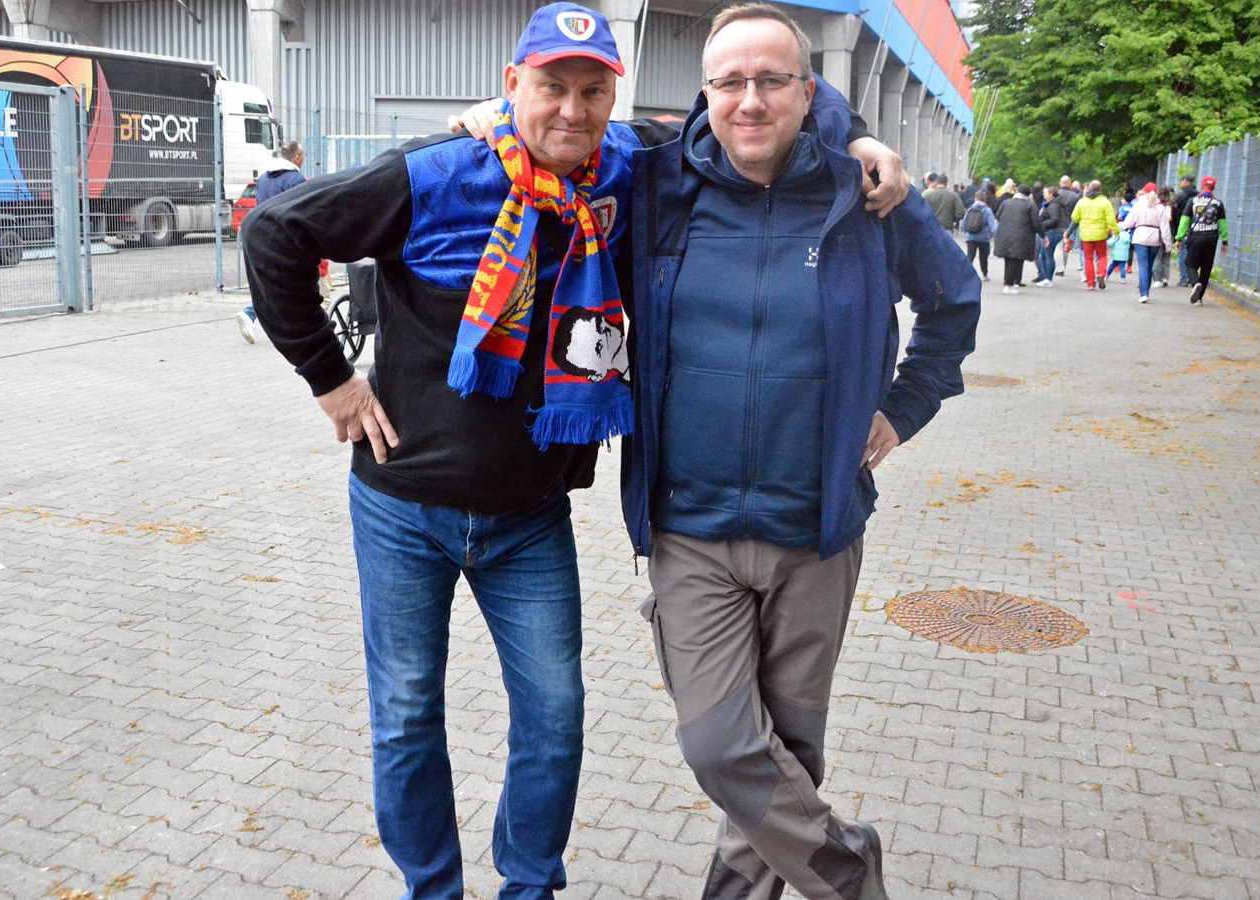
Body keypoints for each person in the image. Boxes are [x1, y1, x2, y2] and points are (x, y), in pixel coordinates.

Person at [245, 3, 912, 896]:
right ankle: (432, 888)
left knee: (555, 720)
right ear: (511, 85)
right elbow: (275, 232)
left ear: (612, 98)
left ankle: (528, 886)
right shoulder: (437, 172)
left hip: (529, 517)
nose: (572, 108)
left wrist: (858, 137)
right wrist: (330, 379)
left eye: (592, 91)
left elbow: (751, 100)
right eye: (550, 86)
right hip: (404, 508)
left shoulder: (630, 170)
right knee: (406, 717)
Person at [624, 5, 980, 898]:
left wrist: (901, 409)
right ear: (705, 93)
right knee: (721, 745)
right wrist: (485, 121)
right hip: (690, 527)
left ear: (808, 91)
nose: (749, 100)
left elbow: (954, 303)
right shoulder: (655, 185)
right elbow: (550, 138)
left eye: (771, 80)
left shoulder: (866, 196)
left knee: (789, 749)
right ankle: (846, 869)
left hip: (816, 527)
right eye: (729, 82)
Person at [236, 140, 319, 344]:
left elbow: (258, 206)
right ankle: (251, 313)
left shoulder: (264, 179)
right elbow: (301, 211)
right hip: (286, 239)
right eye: (303, 156)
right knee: (289, 282)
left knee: (275, 282)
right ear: (297, 158)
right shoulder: (296, 180)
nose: (304, 159)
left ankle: (258, 316)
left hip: (262, 235)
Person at [1175, 175, 1230, 305]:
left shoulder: (1193, 201)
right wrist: (1225, 241)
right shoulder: (1218, 203)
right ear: (1213, 187)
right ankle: (1199, 298)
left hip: (1196, 236)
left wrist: (1179, 237)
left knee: (1190, 264)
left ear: (1202, 185)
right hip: (1212, 238)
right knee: (1206, 268)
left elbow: (1184, 220)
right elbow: (1222, 223)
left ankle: (1195, 284)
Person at [1122, 182, 1173, 303]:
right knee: (1149, 265)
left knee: (1143, 265)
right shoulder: (1160, 207)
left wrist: (1121, 226)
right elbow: (1165, 228)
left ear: (1144, 192)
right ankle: (1146, 291)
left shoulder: (1138, 205)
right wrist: (1168, 244)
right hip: (1155, 238)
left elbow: (1128, 223)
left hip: (1140, 236)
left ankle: (1144, 293)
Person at [994, 183, 1045, 294]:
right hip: (1022, 237)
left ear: (1017, 191)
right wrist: (1043, 236)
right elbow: (1037, 223)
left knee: (1008, 259)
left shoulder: (1006, 202)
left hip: (1004, 234)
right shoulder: (1030, 205)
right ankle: (1009, 285)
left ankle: (1008, 282)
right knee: (1015, 261)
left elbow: (997, 216)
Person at [1072, 180, 1118, 290]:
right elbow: (1111, 219)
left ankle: (1091, 284)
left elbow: (1074, 217)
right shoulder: (1105, 202)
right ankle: (1101, 274)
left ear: (1089, 189)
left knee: (1088, 259)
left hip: (1086, 235)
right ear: (1100, 188)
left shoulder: (1082, 202)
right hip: (1100, 234)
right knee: (1102, 256)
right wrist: (1116, 231)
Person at [962, 189, 997, 281]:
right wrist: (994, 235)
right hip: (984, 238)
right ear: (985, 199)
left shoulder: (970, 209)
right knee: (983, 257)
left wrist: (966, 233)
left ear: (975, 198)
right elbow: (993, 225)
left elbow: (964, 223)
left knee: (970, 255)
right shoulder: (987, 210)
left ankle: (965, 274)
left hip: (970, 236)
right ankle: (984, 274)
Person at [1034, 184, 1065, 286]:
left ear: (1051, 194)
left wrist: (1041, 225)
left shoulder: (1053, 206)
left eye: (1045, 193)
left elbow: (1054, 219)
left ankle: (1048, 279)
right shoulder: (1051, 204)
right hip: (1052, 231)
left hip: (1052, 231)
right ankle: (1046, 278)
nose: (1043, 195)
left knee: (1048, 255)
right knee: (1043, 255)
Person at [1171, 174, 1199, 286]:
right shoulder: (1198, 195)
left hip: (1182, 227)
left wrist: (1176, 232)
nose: (1180, 183)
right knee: (1193, 253)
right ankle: (1193, 277)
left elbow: (1173, 213)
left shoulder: (1180, 195)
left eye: (1181, 181)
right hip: (1197, 228)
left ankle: (1184, 278)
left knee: (1182, 252)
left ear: (1186, 181)